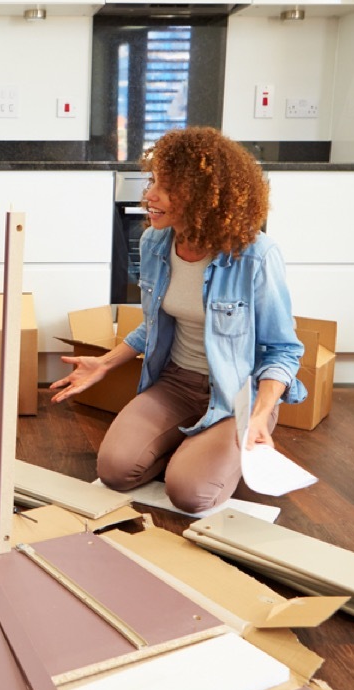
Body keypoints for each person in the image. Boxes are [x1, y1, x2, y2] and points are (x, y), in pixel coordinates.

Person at [50, 126, 306, 513]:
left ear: (204, 198)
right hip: (176, 383)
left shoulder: (256, 256)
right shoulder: (155, 243)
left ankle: (220, 446)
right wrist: (104, 363)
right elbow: (155, 324)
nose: (149, 196)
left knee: (190, 495)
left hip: (236, 394)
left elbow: (283, 350)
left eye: (166, 188)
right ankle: (192, 449)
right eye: (153, 182)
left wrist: (259, 414)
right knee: (115, 471)